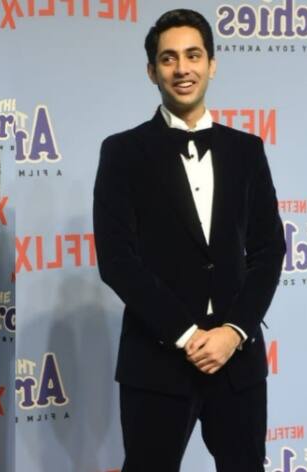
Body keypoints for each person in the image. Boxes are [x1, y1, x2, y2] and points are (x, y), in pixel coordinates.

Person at [93, 9, 286, 472]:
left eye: (193, 55)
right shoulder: (122, 151)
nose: (182, 68)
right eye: (169, 58)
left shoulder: (247, 150)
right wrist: (186, 334)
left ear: (212, 64)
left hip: (237, 361)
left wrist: (233, 332)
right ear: (151, 71)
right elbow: (117, 260)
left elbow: (268, 250)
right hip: (156, 361)